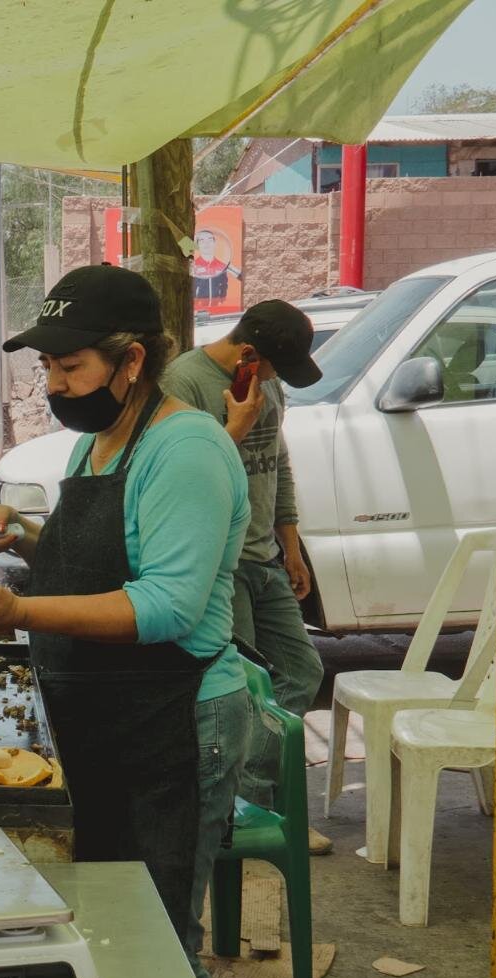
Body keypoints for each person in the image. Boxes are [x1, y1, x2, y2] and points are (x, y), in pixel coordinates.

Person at [0, 265, 251, 978]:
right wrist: (20, 534)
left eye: (70, 365)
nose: (55, 383)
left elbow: (167, 605)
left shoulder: (185, 450)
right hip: (111, 716)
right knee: (111, 927)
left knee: (162, 942)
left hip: (175, 722)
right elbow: (108, 552)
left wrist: (20, 611)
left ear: (132, 360)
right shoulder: (102, 441)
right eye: (47, 366)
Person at [158, 301, 331, 854]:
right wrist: (232, 429)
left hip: (265, 559)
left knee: (301, 669)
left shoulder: (266, 386)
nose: (278, 379)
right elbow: (183, 476)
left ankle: (256, 805)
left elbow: (277, 463)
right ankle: (245, 817)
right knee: (244, 692)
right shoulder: (185, 381)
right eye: (277, 366)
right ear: (249, 352)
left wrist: (291, 544)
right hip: (221, 565)